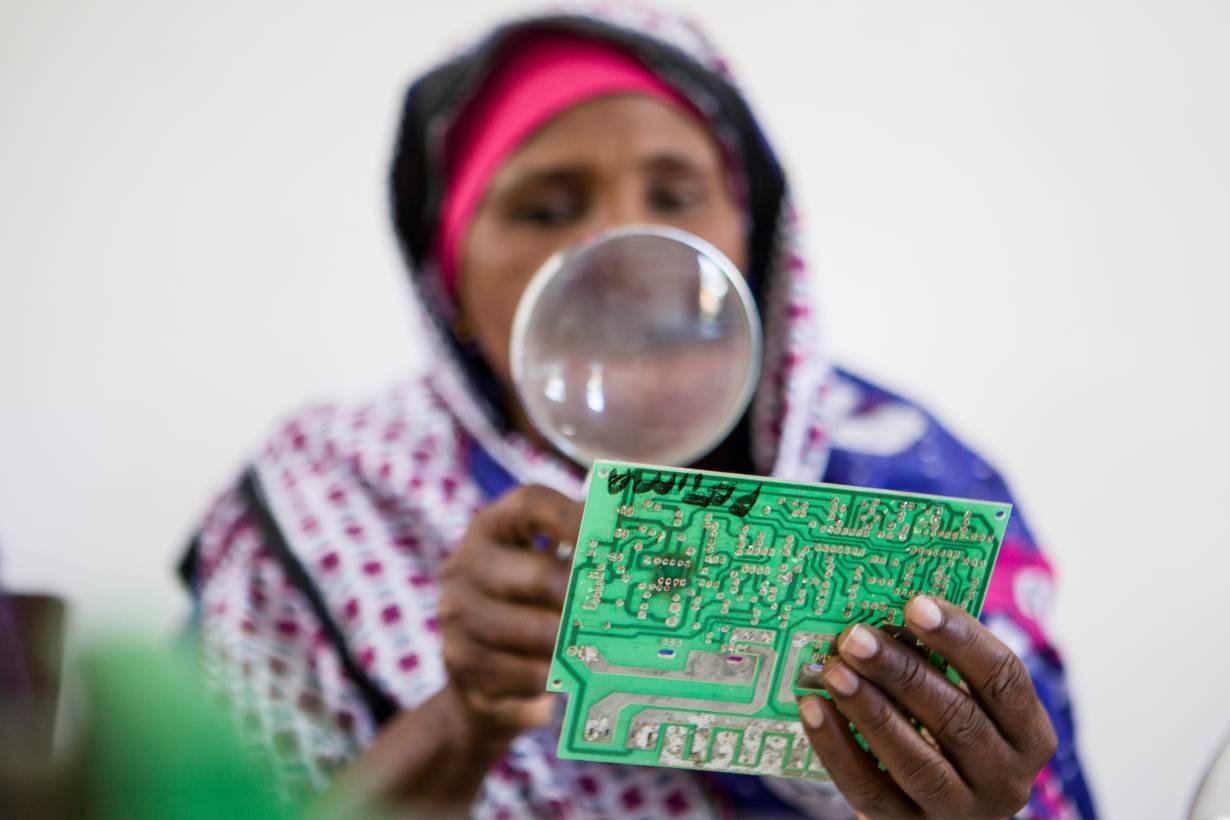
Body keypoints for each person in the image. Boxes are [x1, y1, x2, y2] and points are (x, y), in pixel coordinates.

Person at [180, 4, 1096, 818]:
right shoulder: (331, 498)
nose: (624, 250)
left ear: (755, 243)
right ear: (447, 281)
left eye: (676, 196)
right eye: (544, 208)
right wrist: (465, 719)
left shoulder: (905, 474)